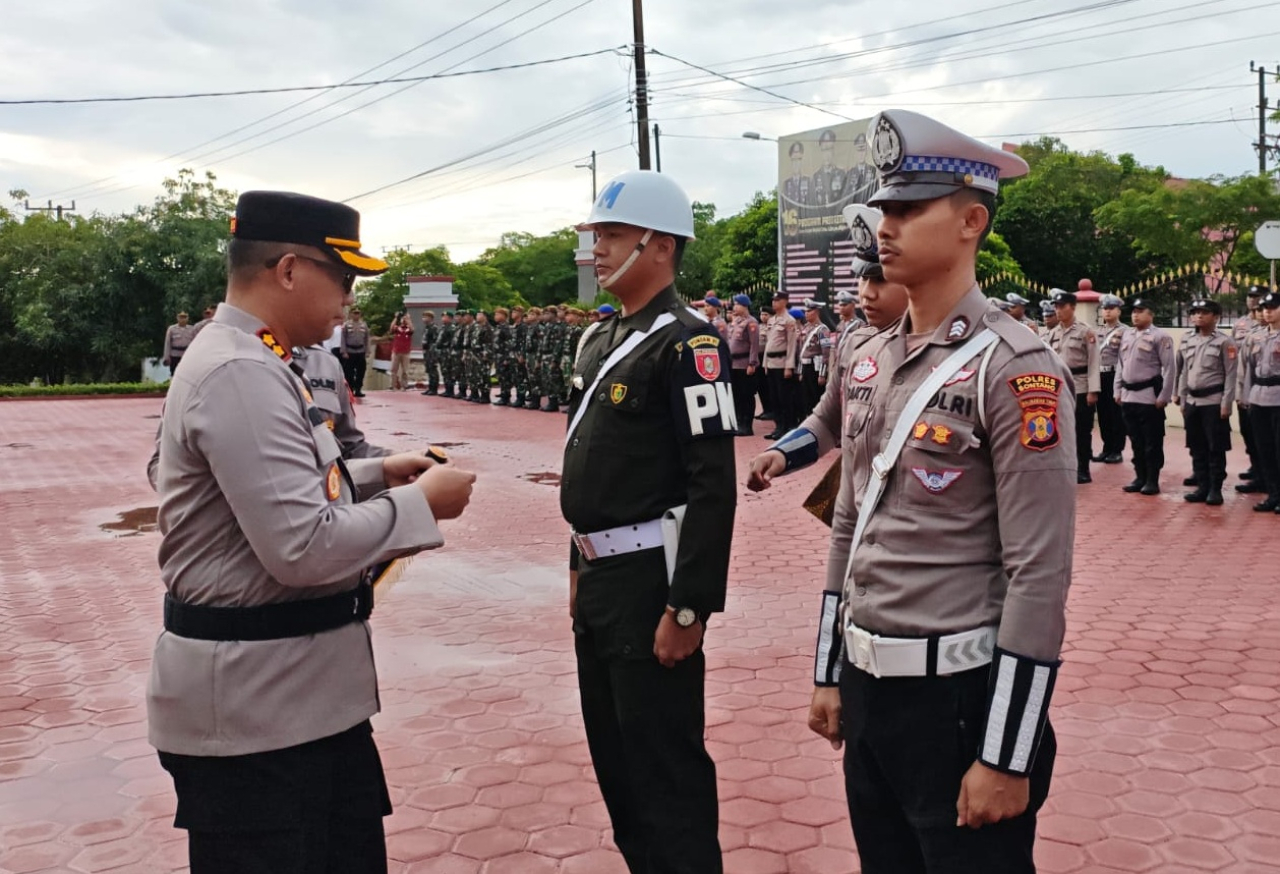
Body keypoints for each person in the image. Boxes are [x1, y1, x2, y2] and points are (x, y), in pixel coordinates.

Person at [748, 108, 1072, 873]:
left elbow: (1040, 572)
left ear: (969, 221)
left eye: (906, 209)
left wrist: (1006, 752)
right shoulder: (873, 359)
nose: (884, 226)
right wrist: (829, 673)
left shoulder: (1015, 367)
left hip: (958, 703)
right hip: (869, 692)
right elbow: (848, 526)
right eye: (882, 207)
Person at [149, 190, 477, 874]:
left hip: (295, 705)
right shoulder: (241, 370)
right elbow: (302, 546)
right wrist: (422, 505)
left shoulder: (261, 359)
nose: (350, 303)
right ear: (291, 270)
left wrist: (380, 471)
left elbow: (286, 492)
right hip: (257, 724)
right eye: (345, 280)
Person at [563, 170, 736, 874]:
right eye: (596, 236)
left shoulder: (688, 346)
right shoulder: (601, 342)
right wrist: (577, 566)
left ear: (657, 245)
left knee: (665, 773)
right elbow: (594, 472)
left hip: (649, 585)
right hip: (600, 580)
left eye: (609, 236)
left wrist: (689, 607)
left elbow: (712, 487)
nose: (596, 250)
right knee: (618, 770)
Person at [1174, 298, 1236, 505]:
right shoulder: (1187, 339)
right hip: (1192, 401)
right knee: (1196, 446)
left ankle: (1215, 489)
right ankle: (1202, 486)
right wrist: (1181, 397)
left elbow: (1231, 374)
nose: (1198, 316)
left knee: (1215, 447)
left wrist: (1226, 403)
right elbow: (1183, 371)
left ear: (1216, 317)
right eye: (1195, 312)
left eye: (1204, 312)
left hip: (1213, 401)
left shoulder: (1224, 342)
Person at [1115, 298, 1176, 495]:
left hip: (1149, 397)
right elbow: (1120, 365)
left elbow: (1169, 368)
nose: (1135, 315)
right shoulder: (1127, 335)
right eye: (1133, 311)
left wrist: (1164, 396)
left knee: (1152, 442)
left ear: (1151, 314)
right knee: (1136, 441)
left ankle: (1152, 479)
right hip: (1128, 396)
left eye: (1140, 311)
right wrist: (1117, 390)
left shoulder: (1161, 337)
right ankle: (1139, 476)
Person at [1046, 290, 1100, 483]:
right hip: (1059, 387)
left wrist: (1093, 391)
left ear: (1073, 307)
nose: (1058, 311)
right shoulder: (1053, 333)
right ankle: (1066, 467)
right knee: (1060, 430)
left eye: (1062, 307)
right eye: (1056, 307)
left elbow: (1094, 362)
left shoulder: (1085, 331)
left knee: (1081, 431)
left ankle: (1083, 469)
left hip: (1080, 387)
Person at [1243, 291, 1280, 512]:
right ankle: (1273, 494)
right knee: (1264, 448)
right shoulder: (1255, 337)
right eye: (1264, 308)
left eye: (1273, 307)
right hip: (1258, 397)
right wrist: (1247, 397)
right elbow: (1247, 369)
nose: (1267, 311)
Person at [1234, 287, 1267, 491]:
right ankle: (1256, 467)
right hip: (1243, 381)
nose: (1253, 300)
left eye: (1258, 297)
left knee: (1264, 435)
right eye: (1250, 296)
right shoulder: (1240, 324)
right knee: (1248, 430)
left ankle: (1265, 474)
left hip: (1264, 386)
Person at [1092, 294, 1127, 464]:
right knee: (1103, 414)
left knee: (1116, 415)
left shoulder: (1125, 331)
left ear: (1118, 311)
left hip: (1115, 375)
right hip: (1100, 375)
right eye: (1105, 308)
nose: (1107, 311)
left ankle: (1117, 450)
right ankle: (1107, 448)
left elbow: (1124, 358)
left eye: (1111, 308)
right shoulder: (1097, 331)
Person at [761, 291, 798, 439]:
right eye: (773, 300)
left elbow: (791, 345)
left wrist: (789, 366)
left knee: (784, 398)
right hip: (771, 363)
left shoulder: (789, 321)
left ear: (784, 302)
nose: (773, 303)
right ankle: (778, 427)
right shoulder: (772, 320)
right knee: (774, 397)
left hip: (782, 364)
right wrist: (765, 363)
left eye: (777, 300)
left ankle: (786, 427)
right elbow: (769, 344)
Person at [726, 293, 761, 436]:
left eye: (736, 304)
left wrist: (752, 363)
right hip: (733, 364)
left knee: (746, 395)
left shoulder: (751, 322)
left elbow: (754, 344)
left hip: (745, 363)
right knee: (736, 395)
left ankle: (747, 425)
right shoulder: (736, 322)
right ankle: (739, 422)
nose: (734, 307)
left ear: (744, 305)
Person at [797, 299, 831, 417]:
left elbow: (825, 353)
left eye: (809, 311)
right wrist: (800, 371)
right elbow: (803, 351)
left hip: (815, 368)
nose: (806, 314)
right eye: (805, 311)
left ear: (816, 312)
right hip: (805, 366)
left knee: (815, 396)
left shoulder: (823, 329)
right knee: (806, 398)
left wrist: (822, 374)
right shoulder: (806, 328)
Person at [813, 128, 848, 208]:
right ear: (821, 152)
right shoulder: (815, 177)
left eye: (830, 149)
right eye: (824, 149)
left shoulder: (842, 174)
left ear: (833, 151)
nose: (827, 154)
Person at [340, 306, 370, 397]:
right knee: (349, 372)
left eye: (358, 313)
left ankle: (358, 389)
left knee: (361, 371)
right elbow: (343, 339)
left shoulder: (364, 325)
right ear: (351, 314)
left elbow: (367, 339)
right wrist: (344, 351)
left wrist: (367, 351)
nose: (356, 315)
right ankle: (350, 389)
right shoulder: (346, 325)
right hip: (350, 351)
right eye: (354, 313)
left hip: (360, 351)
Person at [387, 312, 413, 391]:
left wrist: (408, 319)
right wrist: (396, 318)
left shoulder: (408, 329)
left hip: (406, 352)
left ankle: (404, 386)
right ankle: (393, 385)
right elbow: (391, 328)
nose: (404, 320)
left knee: (405, 370)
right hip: (396, 351)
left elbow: (412, 329)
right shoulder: (397, 328)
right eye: (403, 319)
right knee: (393, 369)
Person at [419, 310, 441, 396]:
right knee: (429, 369)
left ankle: (434, 388)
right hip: (427, 351)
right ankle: (430, 387)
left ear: (431, 318)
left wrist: (433, 351)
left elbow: (435, 341)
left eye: (426, 317)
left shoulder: (434, 328)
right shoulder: (427, 327)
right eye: (423, 317)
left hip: (432, 351)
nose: (424, 319)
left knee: (433, 369)